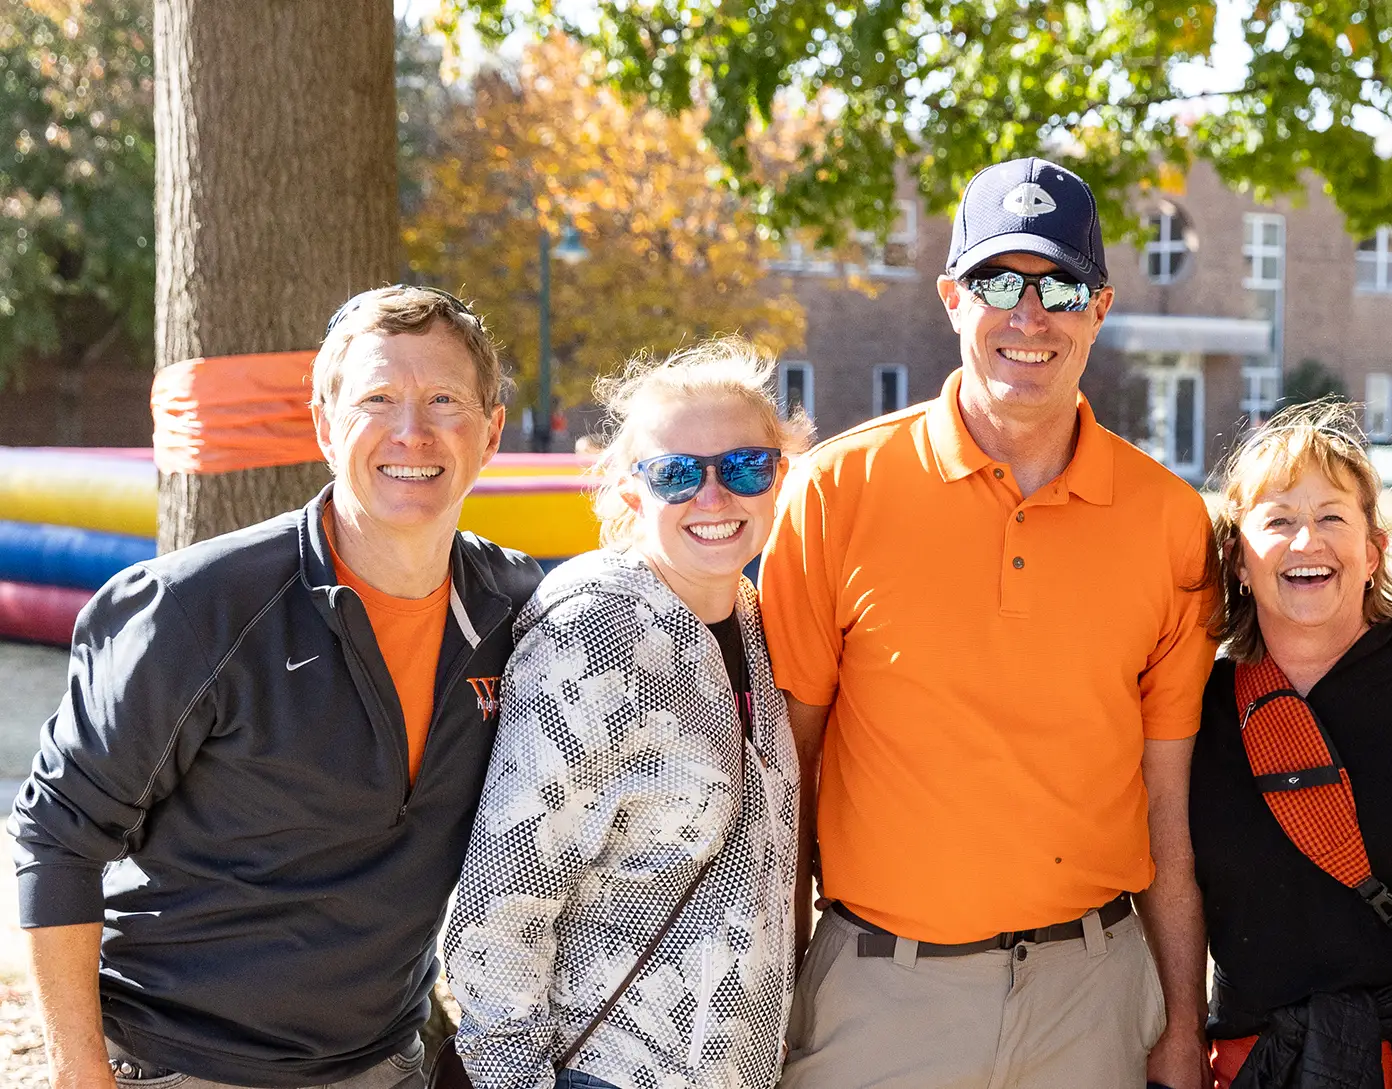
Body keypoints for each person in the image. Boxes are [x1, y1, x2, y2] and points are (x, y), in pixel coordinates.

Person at [9, 285, 541, 1089]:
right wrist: (79, 1071)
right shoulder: (197, 611)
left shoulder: (516, 609)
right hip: (181, 1063)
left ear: (491, 430)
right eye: (377, 399)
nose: (412, 431)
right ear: (325, 426)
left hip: (383, 1064)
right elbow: (57, 832)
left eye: (444, 400)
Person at [761, 156, 1218, 1089]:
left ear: (1100, 306)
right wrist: (767, 997)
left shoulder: (1170, 519)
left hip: (1091, 999)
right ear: (951, 298)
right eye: (998, 281)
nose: (1029, 313)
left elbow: (1167, 805)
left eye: (1061, 285)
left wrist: (1179, 1019)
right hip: (881, 998)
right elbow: (785, 779)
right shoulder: (836, 492)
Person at [443, 338, 810, 1089]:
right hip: (596, 1071)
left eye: (744, 465)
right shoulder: (597, 632)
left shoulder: (753, 618)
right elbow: (499, 902)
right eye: (677, 474)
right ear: (632, 491)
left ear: (780, 475)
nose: (714, 499)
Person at [1181, 401, 1392, 1089]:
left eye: (1332, 516)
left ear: (1374, 550)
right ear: (1238, 560)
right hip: (1257, 1060)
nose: (1306, 540)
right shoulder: (1196, 706)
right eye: (1278, 519)